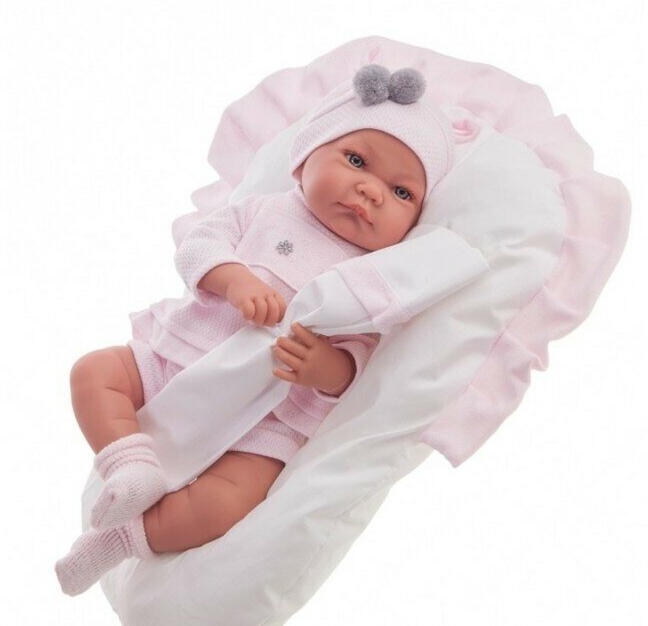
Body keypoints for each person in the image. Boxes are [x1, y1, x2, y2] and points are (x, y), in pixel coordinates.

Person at [55, 63, 455, 596]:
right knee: (94, 372)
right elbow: (198, 246)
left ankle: (121, 541)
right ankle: (131, 465)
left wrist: (326, 368)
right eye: (356, 160)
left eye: (402, 193)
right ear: (304, 159)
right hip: (182, 356)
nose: (371, 191)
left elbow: (363, 357)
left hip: (266, 413)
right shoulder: (266, 211)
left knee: (227, 503)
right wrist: (233, 278)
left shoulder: (372, 277)